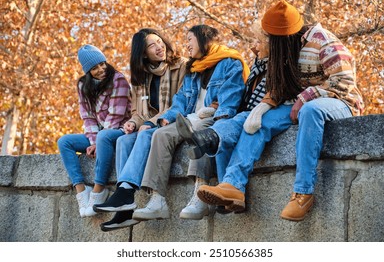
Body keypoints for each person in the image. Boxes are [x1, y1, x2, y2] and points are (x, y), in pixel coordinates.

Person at [176, 0, 364, 221]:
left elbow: (344, 81)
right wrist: (264, 107)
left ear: (281, 38)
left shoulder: (321, 40)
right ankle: (233, 185)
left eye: (268, 39)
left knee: (311, 111)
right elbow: (278, 87)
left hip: (340, 102)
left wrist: (307, 96)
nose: (264, 44)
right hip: (295, 105)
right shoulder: (284, 49)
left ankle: (303, 192)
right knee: (254, 123)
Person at [128, 24, 249, 221]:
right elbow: (181, 100)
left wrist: (211, 112)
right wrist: (167, 117)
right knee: (160, 134)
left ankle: (199, 195)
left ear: (203, 39)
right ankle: (157, 201)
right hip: (190, 118)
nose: (187, 46)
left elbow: (230, 103)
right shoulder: (192, 69)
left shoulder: (230, 62)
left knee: (199, 134)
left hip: (215, 118)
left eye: (189, 41)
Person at [92, 28, 187, 231]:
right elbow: (137, 112)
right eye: (152, 45)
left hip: (172, 122)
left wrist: (150, 122)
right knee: (123, 139)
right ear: (143, 53)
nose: (159, 46)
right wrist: (132, 123)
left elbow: (181, 103)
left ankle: (125, 191)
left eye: (159, 41)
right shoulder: (141, 78)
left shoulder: (181, 66)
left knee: (143, 134)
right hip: (149, 125)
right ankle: (125, 209)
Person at [57, 44, 132, 217]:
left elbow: (116, 116)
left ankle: (99, 191)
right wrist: (92, 141)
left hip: (120, 130)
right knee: (64, 141)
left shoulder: (118, 80)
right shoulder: (83, 85)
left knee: (104, 136)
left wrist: (97, 142)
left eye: (102, 64)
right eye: (94, 68)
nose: (101, 69)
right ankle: (82, 191)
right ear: (87, 71)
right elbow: (88, 117)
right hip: (97, 135)